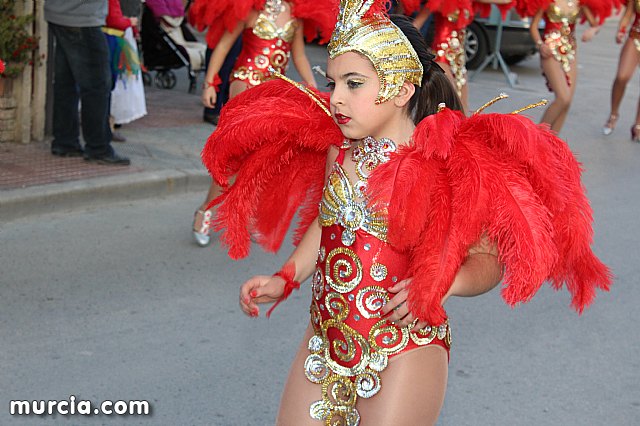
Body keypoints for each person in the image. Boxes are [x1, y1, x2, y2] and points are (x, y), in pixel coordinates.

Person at [201, 1, 611, 423]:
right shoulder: (338, 152)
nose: (336, 98)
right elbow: (331, 222)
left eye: (353, 84)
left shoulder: (448, 162)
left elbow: (488, 261)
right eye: (333, 82)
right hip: (324, 339)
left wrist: (442, 283)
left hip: (405, 348)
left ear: (401, 89)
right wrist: (286, 277)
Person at [188, 0, 336, 247]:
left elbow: (298, 55)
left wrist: (312, 90)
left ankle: (248, 215)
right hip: (245, 84)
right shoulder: (249, 9)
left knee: (264, 158)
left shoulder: (296, 14)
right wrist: (209, 84)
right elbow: (223, 46)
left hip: (274, 92)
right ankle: (206, 211)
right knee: (234, 155)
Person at [44, 0, 130, 165]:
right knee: (96, 85)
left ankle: (65, 141)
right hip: (83, 16)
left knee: (66, 83)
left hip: (59, 13)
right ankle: (98, 147)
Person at [517, 0, 615, 133]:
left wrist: (592, 30)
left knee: (567, 102)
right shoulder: (547, 1)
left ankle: (554, 144)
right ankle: (536, 138)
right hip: (551, 51)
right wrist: (540, 45)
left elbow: (595, 25)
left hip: (571, 52)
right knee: (563, 98)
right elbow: (534, 26)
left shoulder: (580, 2)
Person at [404, 0, 514, 113]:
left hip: (459, 59)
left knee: (462, 105)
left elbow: (505, 1)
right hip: (441, 56)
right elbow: (416, 24)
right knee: (449, 101)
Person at [103, 0, 144, 143]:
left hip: (113, 38)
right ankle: (105, 128)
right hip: (111, 39)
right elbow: (114, 20)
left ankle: (107, 125)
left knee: (109, 86)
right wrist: (129, 22)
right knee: (108, 86)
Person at [603, 0, 640, 140]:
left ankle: (638, 124)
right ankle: (613, 114)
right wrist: (621, 30)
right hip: (635, 37)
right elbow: (628, 13)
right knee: (622, 77)